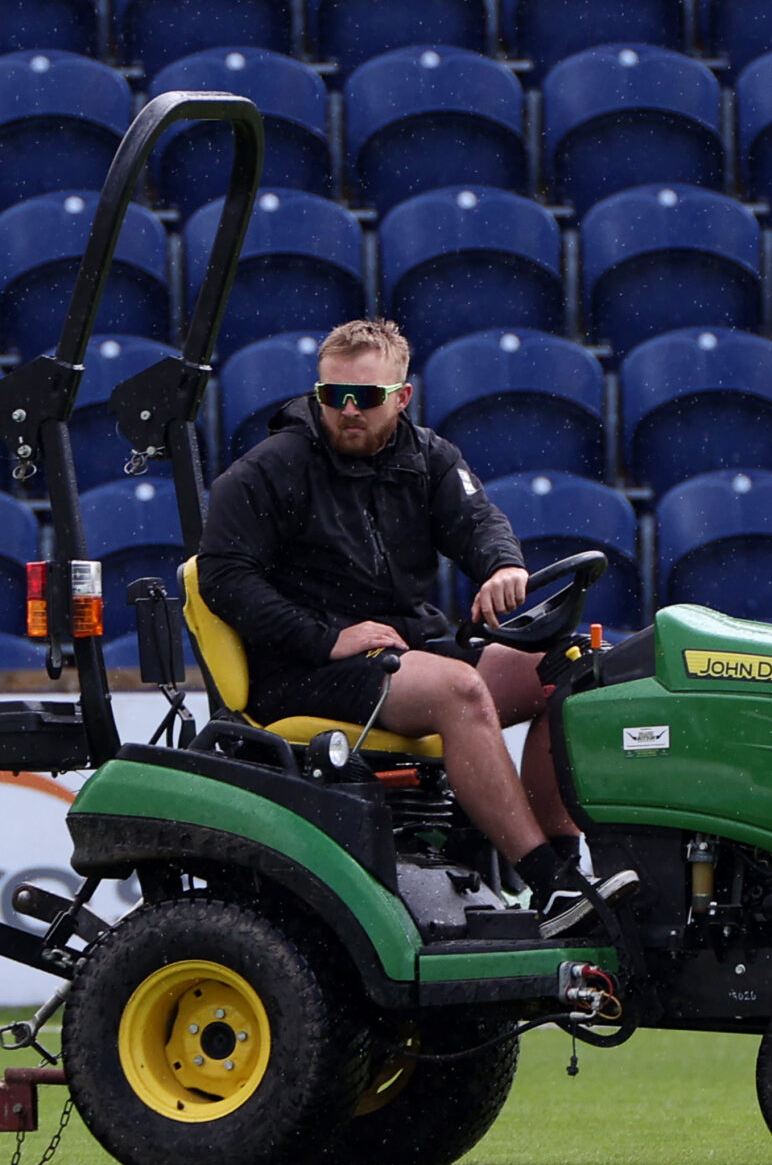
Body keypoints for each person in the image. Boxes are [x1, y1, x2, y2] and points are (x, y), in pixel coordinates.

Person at [198, 318, 631, 933]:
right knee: (458, 691)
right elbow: (222, 576)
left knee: (567, 670)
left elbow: (480, 523)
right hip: (305, 667)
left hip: (403, 646)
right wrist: (325, 638)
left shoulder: (428, 456)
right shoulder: (271, 467)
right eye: (334, 396)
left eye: (366, 398)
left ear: (401, 398)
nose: (348, 411)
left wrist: (502, 567)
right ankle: (550, 882)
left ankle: (564, 880)